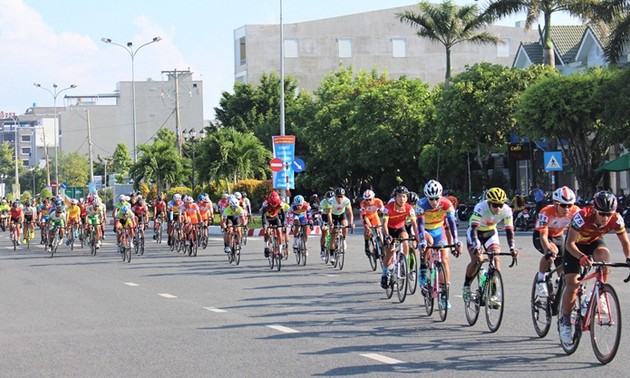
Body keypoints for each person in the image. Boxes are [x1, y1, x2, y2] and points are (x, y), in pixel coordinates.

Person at [558, 191, 630, 345]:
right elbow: (570, 244)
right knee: (573, 285)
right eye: (602, 214)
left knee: (605, 258)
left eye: (608, 214)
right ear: (594, 210)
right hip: (575, 246)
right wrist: (581, 257)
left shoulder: (616, 219)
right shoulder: (582, 216)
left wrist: (629, 258)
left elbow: (625, 243)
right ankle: (565, 323)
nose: (605, 218)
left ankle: (598, 294)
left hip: (593, 242)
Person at [462, 187, 517, 304]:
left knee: (496, 257)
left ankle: (493, 294)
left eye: (500, 205)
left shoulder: (507, 210)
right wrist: (477, 245)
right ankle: (466, 285)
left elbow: (509, 230)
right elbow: (474, 229)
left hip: (490, 233)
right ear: (489, 203)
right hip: (475, 233)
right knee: (478, 259)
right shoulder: (481, 207)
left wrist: (512, 247)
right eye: (495, 205)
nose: (498, 208)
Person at [416, 180, 462, 309]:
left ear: (440, 196)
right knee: (428, 242)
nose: (434, 202)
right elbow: (419, 225)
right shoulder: (421, 204)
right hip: (425, 230)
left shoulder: (446, 204)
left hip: (438, 230)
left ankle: (443, 295)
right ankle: (423, 267)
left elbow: (452, 224)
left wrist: (455, 240)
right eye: (431, 199)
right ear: (426, 197)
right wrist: (422, 240)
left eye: (437, 198)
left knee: (445, 259)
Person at [532, 186, 580, 297]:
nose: (567, 209)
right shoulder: (546, 212)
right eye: (563, 205)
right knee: (552, 252)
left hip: (558, 236)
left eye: (570, 205)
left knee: (563, 267)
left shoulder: (575, 211)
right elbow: (543, 236)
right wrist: (547, 250)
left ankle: (559, 288)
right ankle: (540, 279)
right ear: (555, 203)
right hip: (542, 236)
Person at [380, 186, 420, 288]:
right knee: (390, 252)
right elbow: (384, 224)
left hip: (400, 228)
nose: (402, 199)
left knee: (406, 239)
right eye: (399, 196)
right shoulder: (388, 207)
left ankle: (403, 263)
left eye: (404, 197)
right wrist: (387, 235)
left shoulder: (409, 208)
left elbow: (414, 224)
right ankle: (384, 274)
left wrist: (416, 236)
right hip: (389, 229)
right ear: (395, 197)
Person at [326, 187, 354, 264]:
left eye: (341, 196)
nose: (339, 198)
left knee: (345, 225)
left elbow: (350, 212)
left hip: (342, 214)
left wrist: (351, 222)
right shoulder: (331, 201)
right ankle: (331, 255)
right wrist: (331, 223)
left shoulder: (347, 200)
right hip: (333, 215)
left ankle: (344, 239)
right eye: (338, 196)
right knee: (333, 233)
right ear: (335, 196)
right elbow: (329, 213)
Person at [261, 191, 287, 258]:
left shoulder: (280, 203)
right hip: (267, 218)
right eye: (272, 204)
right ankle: (266, 247)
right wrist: (265, 225)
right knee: (267, 232)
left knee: (279, 231)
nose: (274, 206)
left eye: (275, 205)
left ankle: (280, 251)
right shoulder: (266, 203)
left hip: (275, 218)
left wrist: (283, 223)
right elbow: (263, 215)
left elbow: (283, 215)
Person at [359, 189, 384, 256]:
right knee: (368, 230)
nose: (368, 201)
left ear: (373, 197)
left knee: (379, 230)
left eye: (370, 199)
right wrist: (368, 226)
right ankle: (367, 245)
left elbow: (383, 210)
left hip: (374, 215)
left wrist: (381, 210)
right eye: (366, 200)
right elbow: (364, 217)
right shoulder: (363, 204)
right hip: (366, 217)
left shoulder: (378, 201)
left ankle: (382, 247)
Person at [319, 191, 334, 259]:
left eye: (331, 197)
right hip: (324, 216)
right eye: (328, 198)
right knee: (324, 232)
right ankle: (322, 250)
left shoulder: (335, 201)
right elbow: (321, 211)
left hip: (332, 215)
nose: (330, 199)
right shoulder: (323, 202)